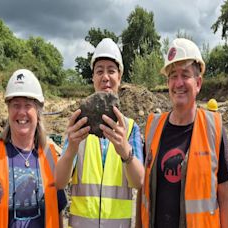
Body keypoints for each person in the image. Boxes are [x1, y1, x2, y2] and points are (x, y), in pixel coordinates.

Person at [136, 38, 228, 228]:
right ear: (167, 83)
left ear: (198, 83)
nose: (179, 83)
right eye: (173, 75)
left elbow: (226, 197)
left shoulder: (213, 128)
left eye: (185, 75)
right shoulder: (152, 128)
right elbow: (143, 192)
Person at [0, 69, 67, 227]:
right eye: (16, 105)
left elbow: (58, 212)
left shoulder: (49, 155)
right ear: (8, 109)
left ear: (38, 111)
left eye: (28, 105)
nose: (21, 112)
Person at [55, 38, 145, 228]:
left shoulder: (130, 128)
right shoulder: (79, 125)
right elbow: (60, 182)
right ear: (93, 78)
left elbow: (139, 182)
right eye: (99, 71)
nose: (105, 77)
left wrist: (125, 152)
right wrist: (71, 147)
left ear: (119, 77)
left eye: (111, 70)